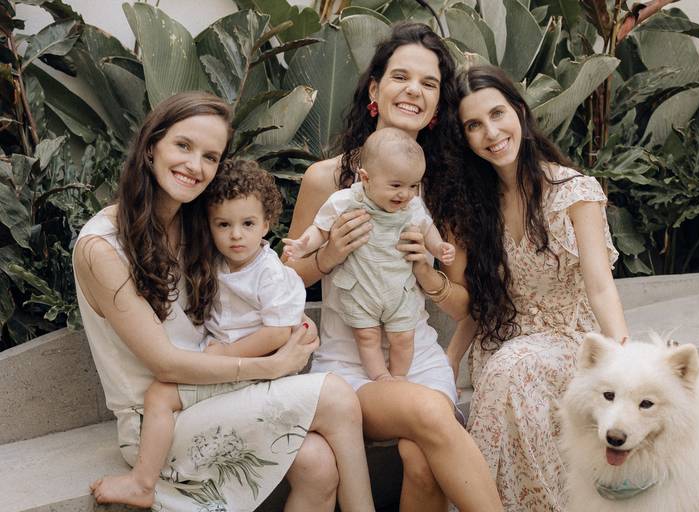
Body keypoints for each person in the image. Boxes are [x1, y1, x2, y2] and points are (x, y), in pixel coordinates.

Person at [73, 91, 373, 512]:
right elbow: (165, 364)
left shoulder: (201, 225)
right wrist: (272, 365)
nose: (195, 166)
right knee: (337, 396)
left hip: (215, 393)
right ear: (151, 145)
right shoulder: (102, 247)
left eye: (210, 157)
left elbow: (258, 284)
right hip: (157, 419)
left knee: (319, 465)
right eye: (183, 145)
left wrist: (288, 325)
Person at [284, 22, 503, 512]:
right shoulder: (326, 181)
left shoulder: (445, 191)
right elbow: (286, 281)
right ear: (374, 90)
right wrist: (328, 255)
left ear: (437, 105)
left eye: (429, 83)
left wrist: (428, 274)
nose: (413, 90)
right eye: (401, 77)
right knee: (429, 413)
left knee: (422, 461)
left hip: (418, 357)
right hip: (349, 368)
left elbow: (463, 304)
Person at [439, 65, 629, 511]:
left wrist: (624, 358)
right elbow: (480, 302)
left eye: (497, 114)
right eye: (474, 125)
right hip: (503, 342)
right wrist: (451, 358)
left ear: (520, 113)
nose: (491, 133)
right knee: (508, 370)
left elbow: (600, 288)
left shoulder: (573, 192)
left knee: (514, 370)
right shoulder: (472, 206)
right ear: (465, 138)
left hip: (569, 341)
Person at [283, 128, 455, 382]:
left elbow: (427, 228)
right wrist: (302, 246)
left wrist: (439, 247)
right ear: (366, 178)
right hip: (361, 290)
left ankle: (399, 377)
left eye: (413, 186)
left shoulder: (411, 206)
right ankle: (380, 377)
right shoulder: (345, 201)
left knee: (403, 338)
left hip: (399, 290)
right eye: (396, 186)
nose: (405, 194)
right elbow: (320, 229)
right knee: (366, 336)